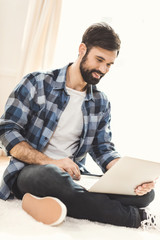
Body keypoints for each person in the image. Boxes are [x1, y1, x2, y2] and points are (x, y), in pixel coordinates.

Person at [0, 22, 157, 229]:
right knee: (52, 177)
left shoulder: (101, 101)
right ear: (82, 50)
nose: (103, 69)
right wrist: (51, 162)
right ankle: (136, 218)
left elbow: (103, 149)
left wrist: (128, 174)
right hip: (32, 171)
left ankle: (52, 202)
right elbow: (7, 130)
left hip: (74, 177)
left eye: (109, 64)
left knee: (144, 195)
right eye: (99, 60)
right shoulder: (37, 82)